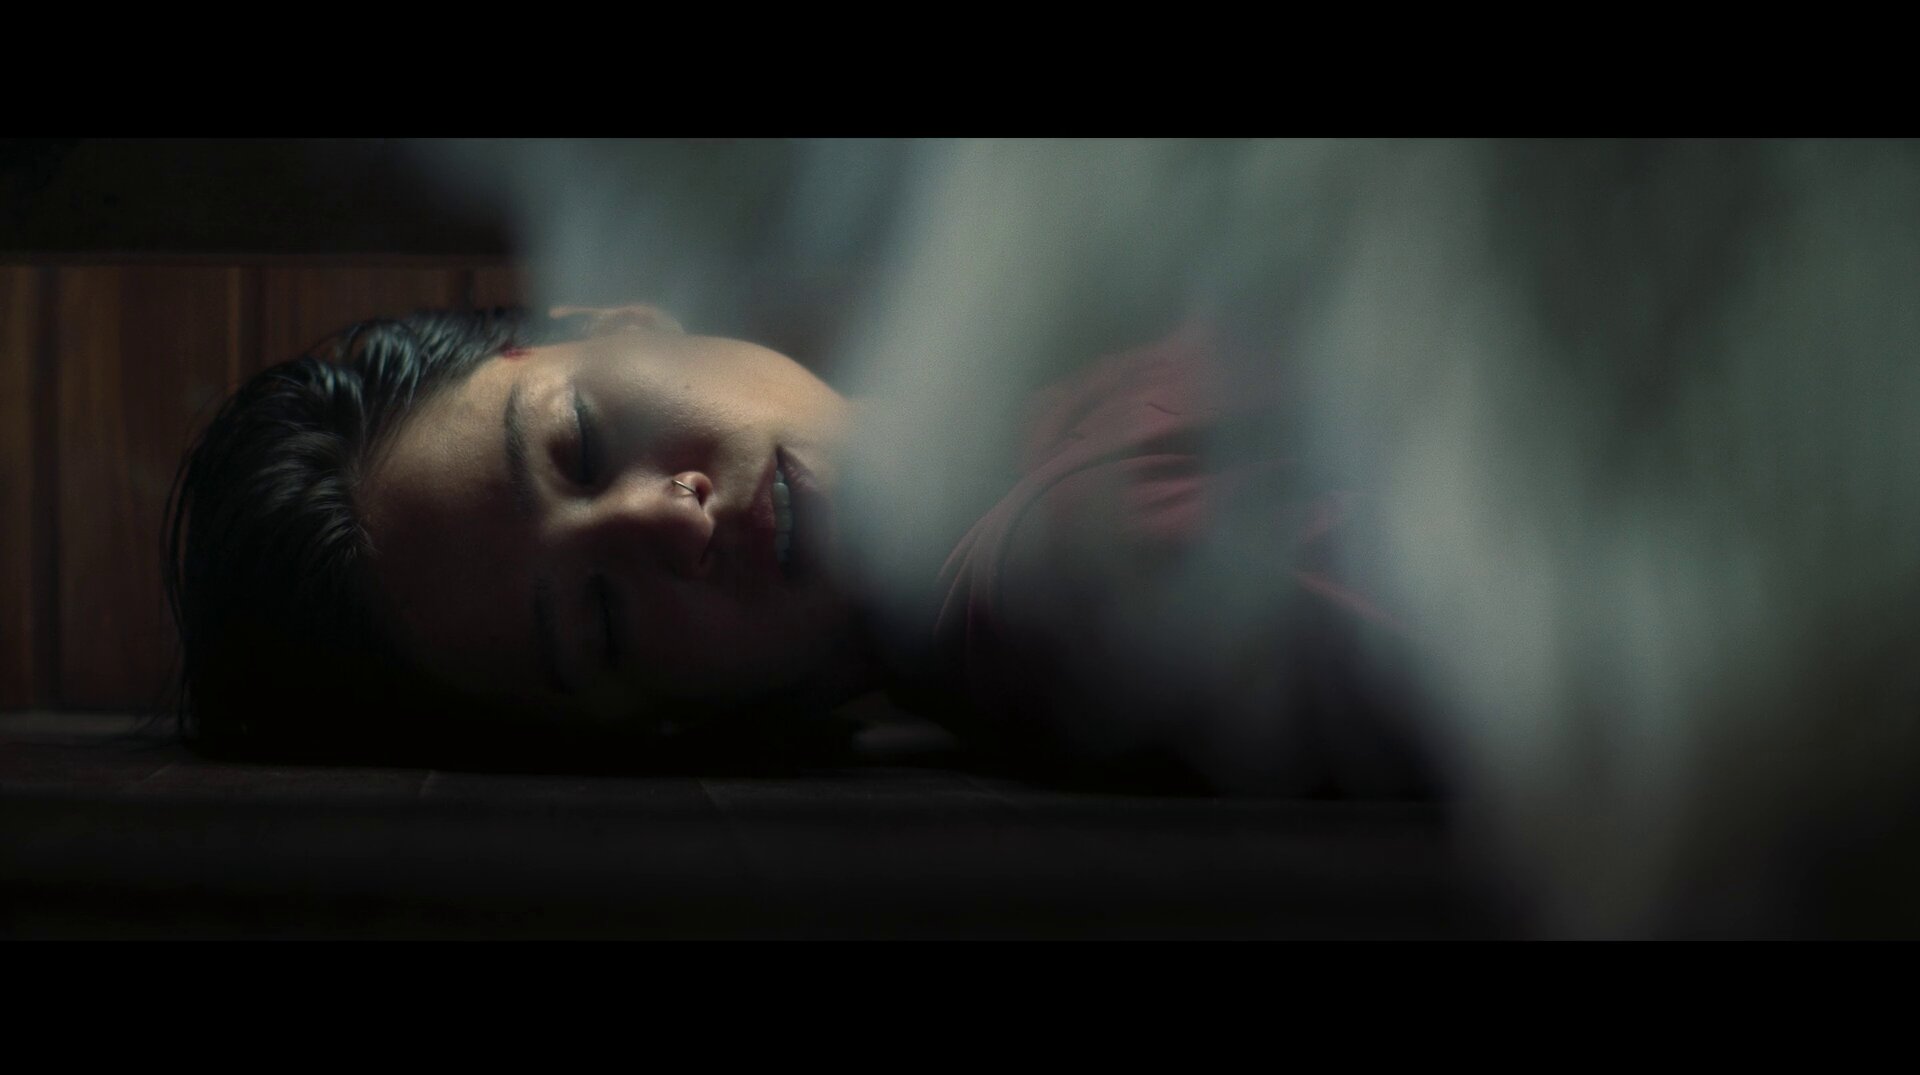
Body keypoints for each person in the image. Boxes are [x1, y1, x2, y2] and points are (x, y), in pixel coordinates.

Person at [166, 303, 1438, 794]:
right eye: (598, 622)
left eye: (582, 442)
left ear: (615, 321)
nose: (667, 520)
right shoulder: (1062, 584)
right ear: (659, 731)